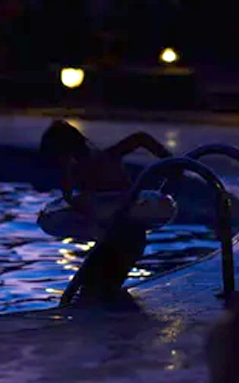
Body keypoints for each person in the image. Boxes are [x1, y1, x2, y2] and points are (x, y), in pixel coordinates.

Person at [39, 120, 172, 307]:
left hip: (121, 240)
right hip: (124, 238)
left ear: (63, 153)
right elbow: (140, 138)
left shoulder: (91, 165)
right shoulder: (102, 157)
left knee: (95, 291)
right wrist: (167, 159)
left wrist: (169, 162)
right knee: (98, 289)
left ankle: (121, 328)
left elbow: (84, 205)